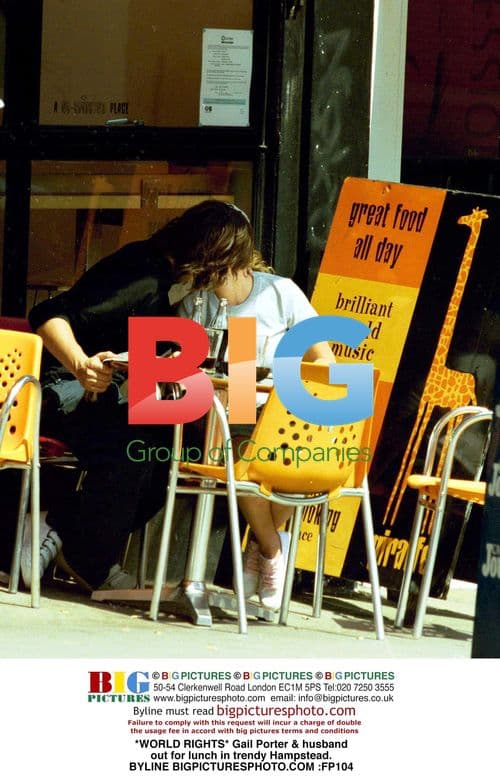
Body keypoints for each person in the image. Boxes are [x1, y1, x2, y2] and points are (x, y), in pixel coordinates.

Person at [175, 200, 334, 611]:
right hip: (229, 411)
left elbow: (325, 361)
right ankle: (272, 549)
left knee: (295, 461)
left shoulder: (280, 293)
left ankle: (262, 547)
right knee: (241, 452)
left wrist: (287, 386)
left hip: (284, 411)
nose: (208, 278)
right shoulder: (198, 303)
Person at [26, 226, 182, 591]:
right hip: (61, 392)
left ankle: (66, 536)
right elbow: (47, 313)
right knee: (138, 445)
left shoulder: (175, 291)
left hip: (105, 397)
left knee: (166, 450)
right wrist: (81, 365)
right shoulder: (146, 275)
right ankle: (83, 554)